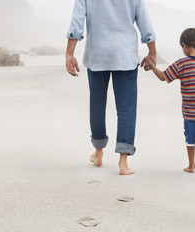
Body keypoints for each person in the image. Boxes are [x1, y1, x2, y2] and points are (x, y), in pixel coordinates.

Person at [66, 0, 157, 175]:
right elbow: (144, 21)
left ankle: (98, 152)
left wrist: (70, 53)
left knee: (97, 105)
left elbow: (76, 22)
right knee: (127, 108)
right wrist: (152, 52)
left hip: (97, 55)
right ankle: (123, 162)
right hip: (125, 55)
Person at [143, 28, 195, 179]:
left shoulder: (182, 63)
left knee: (190, 138)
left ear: (184, 45)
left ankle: (191, 165)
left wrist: (152, 65)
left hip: (189, 111)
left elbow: (163, 77)